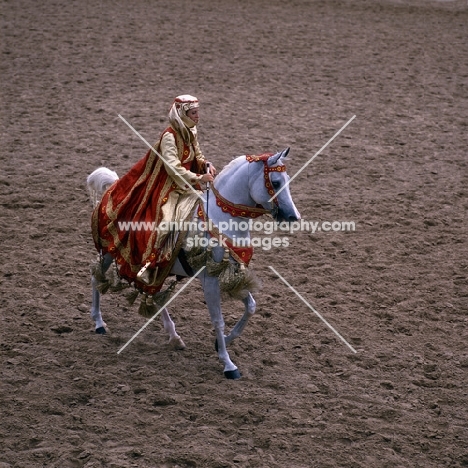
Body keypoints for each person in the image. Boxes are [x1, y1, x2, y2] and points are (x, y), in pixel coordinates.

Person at [92, 94, 216, 294]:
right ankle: (150, 266)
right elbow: (173, 168)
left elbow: (197, 153)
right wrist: (199, 178)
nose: (197, 116)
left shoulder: (191, 130)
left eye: (197, 112)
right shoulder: (170, 136)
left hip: (186, 185)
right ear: (183, 113)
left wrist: (205, 164)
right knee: (163, 224)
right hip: (166, 187)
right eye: (194, 113)